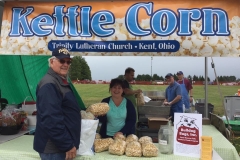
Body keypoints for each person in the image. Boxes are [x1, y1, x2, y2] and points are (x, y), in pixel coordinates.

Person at [34, 46, 81, 160]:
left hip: (59, 147)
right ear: (51, 61)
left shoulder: (59, 81)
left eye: (68, 61)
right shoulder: (49, 84)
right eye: (62, 61)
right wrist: (67, 145)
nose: (65, 64)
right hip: (54, 150)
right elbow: (51, 120)